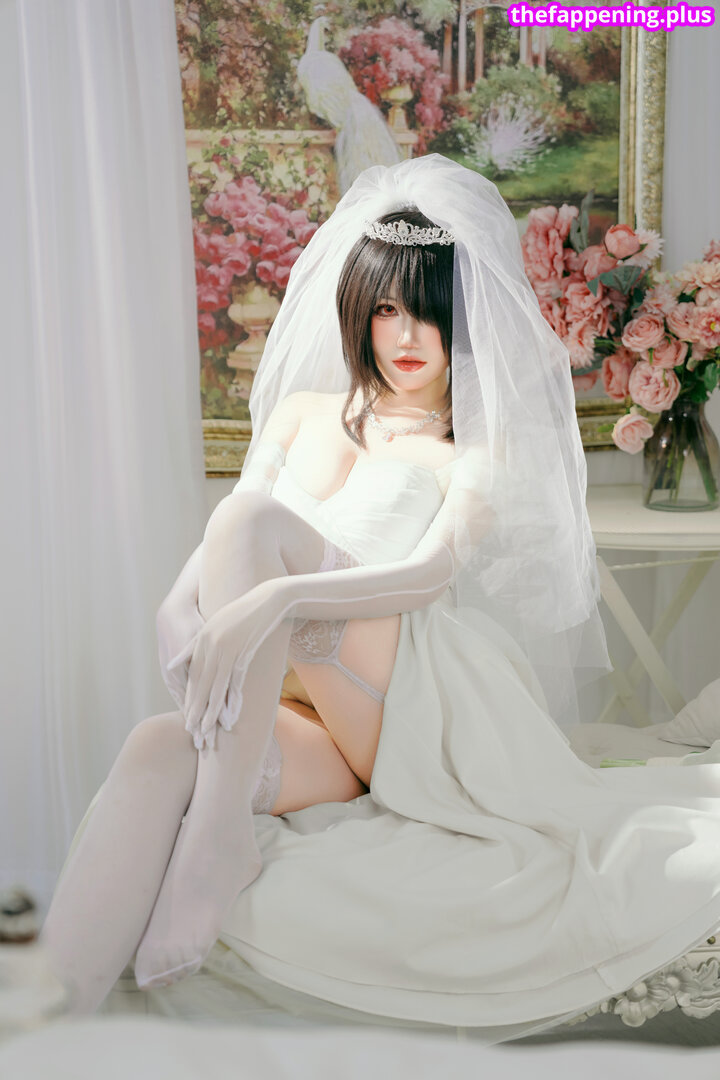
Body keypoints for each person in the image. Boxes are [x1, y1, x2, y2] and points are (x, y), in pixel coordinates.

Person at [40, 155, 720, 1041]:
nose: (407, 335)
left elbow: (427, 576)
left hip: (398, 703)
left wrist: (281, 600)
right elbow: (219, 549)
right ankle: (44, 1028)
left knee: (254, 524)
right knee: (153, 747)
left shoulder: (469, 450)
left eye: (429, 312)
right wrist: (180, 604)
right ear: (358, 310)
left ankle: (217, 833)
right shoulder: (302, 413)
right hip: (300, 715)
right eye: (388, 309)